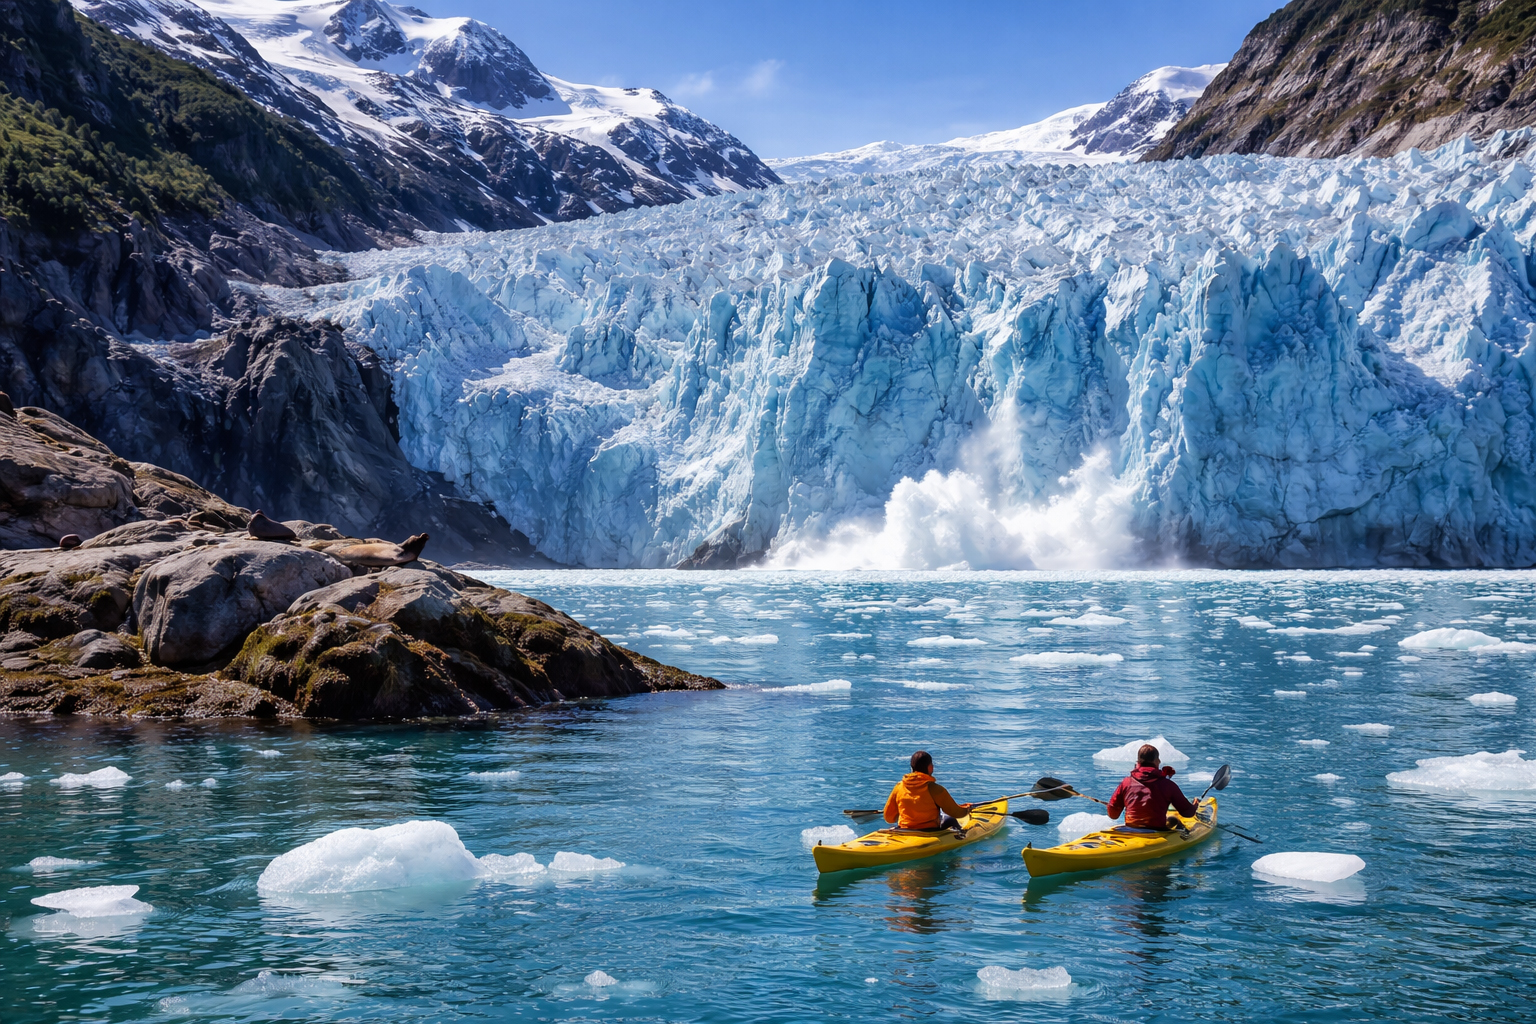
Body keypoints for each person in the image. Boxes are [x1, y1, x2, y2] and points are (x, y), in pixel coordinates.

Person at [1107, 743, 1199, 830]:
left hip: (1131, 829)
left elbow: (1113, 815)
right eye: (1158, 759)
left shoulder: (1126, 782)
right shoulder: (1168, 785)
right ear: (1156, 761)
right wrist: (1195, 806)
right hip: (1156, 832)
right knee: (1174, 821)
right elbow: (1188, 813)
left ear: (1138, 762)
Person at [883, 750, 976, 832]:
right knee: (950, 819)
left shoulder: (899, 787)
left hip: (904, 830)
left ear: (912, 768)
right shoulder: (935, 789)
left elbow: (888, 818)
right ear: (930, 767)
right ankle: (962, 836)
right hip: (929, 831)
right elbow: (956, 813)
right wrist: (968, 809)